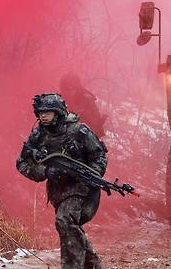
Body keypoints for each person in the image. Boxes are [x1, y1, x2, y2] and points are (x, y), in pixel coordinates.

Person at [16, 93, 107, 269]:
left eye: (47, 112)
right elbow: (21, 163)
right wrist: (45, 171)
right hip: (58, 192)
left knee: (64, 220)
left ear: (58, 113)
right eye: (40, 112)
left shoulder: (79, 131)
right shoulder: (38, 136)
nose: (42, 116)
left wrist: (92, 174)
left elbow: (99, 155)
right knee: (69, 226)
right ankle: (93, 265)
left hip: (83, 188)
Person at [60, 73, 106, 138]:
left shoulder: (87, 101)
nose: (70, 92)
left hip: (84, 137)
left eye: (72, 88)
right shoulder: (58, 100)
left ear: (77, 87)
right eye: (67, 89)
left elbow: (95, 124)